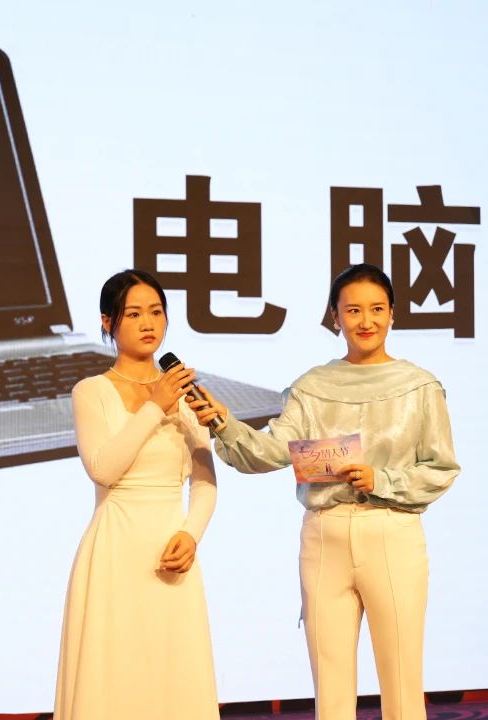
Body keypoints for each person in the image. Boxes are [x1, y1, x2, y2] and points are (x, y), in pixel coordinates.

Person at [190, 263, 459, 720]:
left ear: (393, 313)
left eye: (377, 309)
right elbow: (270, 452)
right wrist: (223, 422)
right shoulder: (311, 387)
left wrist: (381, 480)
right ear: (335, 316)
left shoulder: (419, 386)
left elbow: (441, 467)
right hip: (323, 535)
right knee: (330, 687)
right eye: (353, 310)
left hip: (391, 532)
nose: (366, 321)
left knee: (401, 681)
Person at [53, 269, 219, 720]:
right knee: (114, 675)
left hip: (172, 549)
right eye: (133, 314)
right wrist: (155, 405)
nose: (148, 323)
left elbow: (205, 481)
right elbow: (103, 469)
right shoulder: (91, 391)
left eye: (156, 312)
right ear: (108, 322)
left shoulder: (185, 393)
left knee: (173, 672)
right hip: (115, 551)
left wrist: (191, 534)